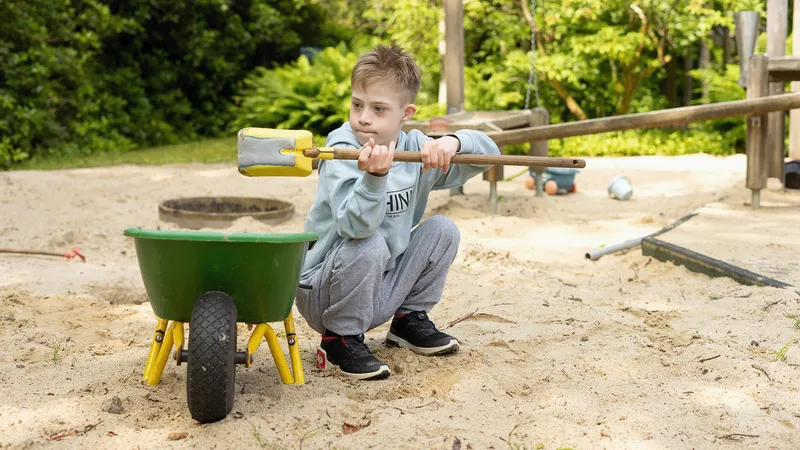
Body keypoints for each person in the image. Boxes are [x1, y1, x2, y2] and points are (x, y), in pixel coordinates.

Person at [294, 43, 500, 380]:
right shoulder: (342, 150)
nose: (363, 117)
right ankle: (338, 339)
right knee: (370, 242)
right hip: (323, 292)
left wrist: (453, 143)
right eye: (357, 104)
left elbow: (488, 154)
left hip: (381, 285)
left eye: (378, 109)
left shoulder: (415, 149)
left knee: (443, 229)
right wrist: (374, 177)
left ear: (405, 114)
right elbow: (354, 227)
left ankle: (407, 321)